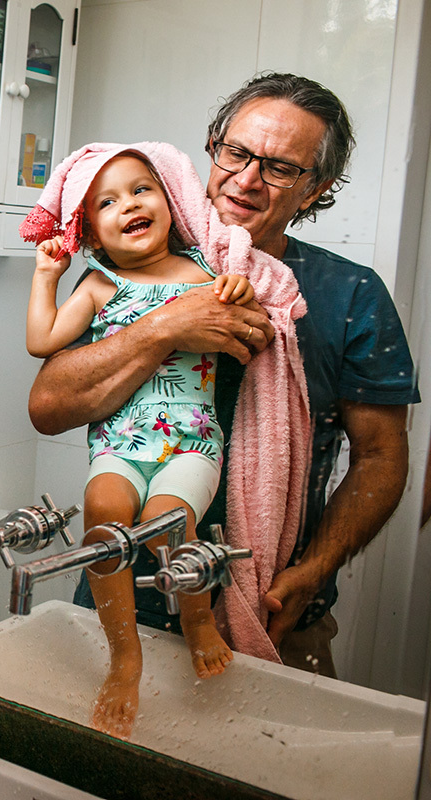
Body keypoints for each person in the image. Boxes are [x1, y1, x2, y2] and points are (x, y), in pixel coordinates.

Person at [29, 73, 418, 681]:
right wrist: (166, 327)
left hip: (280, 606)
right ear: (212, 148)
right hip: (127, 598)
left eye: (280, 167)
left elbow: (380, 456)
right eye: (236, 153)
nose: (245, 179)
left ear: (316, 189)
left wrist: (315, 570)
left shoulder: (351, 295)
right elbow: (48, 407)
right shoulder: (137, 265)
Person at [25, 148, 257, 737]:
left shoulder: (205, 269)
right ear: (91, 234)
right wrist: (47, 276)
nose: (128, 204)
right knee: (104, 519)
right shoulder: (100, 284)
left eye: (140, 190)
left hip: (191, 442)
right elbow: (42, 341)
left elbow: (250, 321)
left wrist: (237, 288)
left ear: (169, 202)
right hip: (120, 444)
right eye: (107, 202)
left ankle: (197, 621)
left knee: (167, 525)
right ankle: (125, 654)